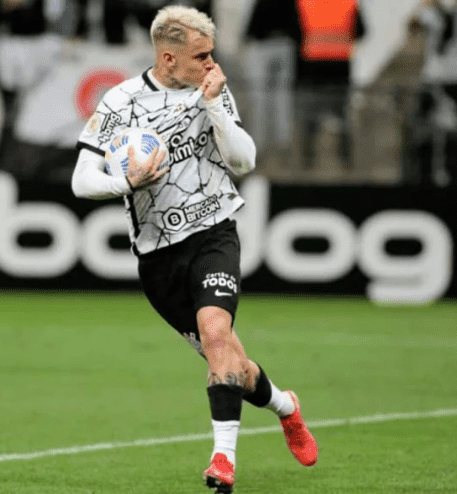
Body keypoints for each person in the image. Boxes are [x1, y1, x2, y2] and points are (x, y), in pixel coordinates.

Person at [70, 6, 318, 493]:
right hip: (158, 257)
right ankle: (287, 407)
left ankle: (223, 461)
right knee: (232, 365)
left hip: (213, 234)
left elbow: (244, 161)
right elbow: (82, 180)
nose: (211, 64)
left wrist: (214, 106)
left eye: (211, 54)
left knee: (216, 332)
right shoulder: (120, 102)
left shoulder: (212, 90)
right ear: (168, 58)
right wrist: (127, 182)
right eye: (201, 56)